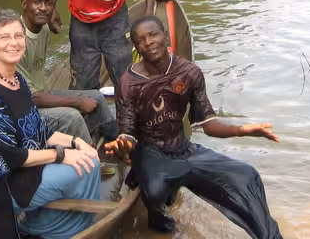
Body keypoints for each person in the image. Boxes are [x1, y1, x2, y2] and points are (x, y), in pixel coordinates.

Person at [108, 16, 283, 238]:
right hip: (151, 151)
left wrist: (243, 130)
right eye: (141, 40)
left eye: (153, 34)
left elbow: (208, 125)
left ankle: (269, 236)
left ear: (166, 36)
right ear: (136, 48)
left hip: (184, 149)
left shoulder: (189, 72)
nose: (148, 42)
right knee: (154, 191)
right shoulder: (128, 83)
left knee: (247, 176)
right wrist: (124, 146)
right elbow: (128, 132)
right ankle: (160, 221)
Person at [0, 8, 102, 239]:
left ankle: (46, 223)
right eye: (4, 37)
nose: (13, 43)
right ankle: (56, 230)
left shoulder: (15, 79)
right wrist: (61, 155)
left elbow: (39, 129)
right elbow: (10, 156)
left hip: (22, 170)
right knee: (88, 167)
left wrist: (77, 142)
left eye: (18, 36)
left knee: (89, 156)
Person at [16, 0, 119, 144]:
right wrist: (77, 102)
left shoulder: (42, 26)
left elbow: (49, 17)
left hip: (41, 93)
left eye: (48, 3)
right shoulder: (15, 42)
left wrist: (52, 12)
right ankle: (90, 159)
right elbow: (30, 98)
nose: (43, 8)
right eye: (37, 2)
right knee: (73, 116)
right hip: (23, 109)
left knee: (97, 96)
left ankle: (116, 139)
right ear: (24, 4)